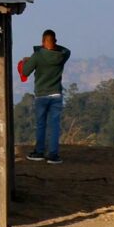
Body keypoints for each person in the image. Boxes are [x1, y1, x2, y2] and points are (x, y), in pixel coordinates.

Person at [20, 29, 72, 163]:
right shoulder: (61, 55)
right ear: (55, 41)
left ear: (43, 42)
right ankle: (53, 155)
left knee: (41, 124)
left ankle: (39, 152)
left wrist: (30, 58)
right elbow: (67, 50)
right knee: (54, 125)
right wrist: (53, 45)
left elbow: (25, 72)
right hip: (56, 94)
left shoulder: (38, 56)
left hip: (41, 95)